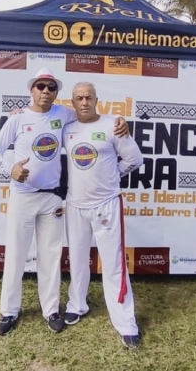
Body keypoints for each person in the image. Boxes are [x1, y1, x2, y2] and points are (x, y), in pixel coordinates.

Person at [0, 67, 128, 336]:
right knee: (16, 254)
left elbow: (91, 116)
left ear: (56, 93)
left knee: (51, 256)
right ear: (31, 90)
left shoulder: (64, 114)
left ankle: (50, 310)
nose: (45, 91)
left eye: (51, 87)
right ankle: (9, 311)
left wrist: (120, 122)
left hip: (52, 197)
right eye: (40, 86)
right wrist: (9, 169)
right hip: (22, 196)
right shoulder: (17, 119)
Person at [61, 82, 144, 349]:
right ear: (73, 102)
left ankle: (126, 323)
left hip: (106, 205)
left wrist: (113, 175)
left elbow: (135, 159)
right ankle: (76, 305)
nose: (84, 102)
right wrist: (18, 115)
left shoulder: (113, 126)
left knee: (114, 265)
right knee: (77, 261)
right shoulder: (66, 128)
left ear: (97, 100)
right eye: (79, 98)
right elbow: (40, 123)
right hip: (75, 206)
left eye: (88, 97)